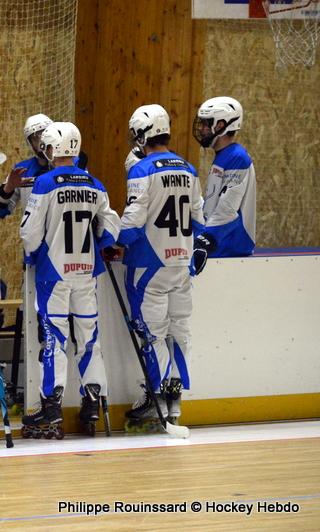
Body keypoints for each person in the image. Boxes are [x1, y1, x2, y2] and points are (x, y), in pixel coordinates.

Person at [19, 122, 121, 439]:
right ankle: (92, 402)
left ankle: (51, 410)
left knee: (54, 339)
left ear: (51, 150)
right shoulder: (95, 183)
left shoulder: (45, 183)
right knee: (89, 339)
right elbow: (110, 226)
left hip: (53, 273)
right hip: (86, 273)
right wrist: (102, 244)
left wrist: (32, 254)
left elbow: (29, 233)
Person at [114, 104, 205, 430]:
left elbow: (133, 225)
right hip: (180, 262)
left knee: (152, 333)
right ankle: (176, 404)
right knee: (179, 331)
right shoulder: (189, 168)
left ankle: (158, 402)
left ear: (141, 134)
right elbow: (199, 219)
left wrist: (109, 237)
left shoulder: (141, 170)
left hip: (148, 265)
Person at [192, 96, 256, 258]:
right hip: (220, 244)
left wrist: (206, 238)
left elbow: (227, 209)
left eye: (206, 124)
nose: (201, 129)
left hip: (230, 246)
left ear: (220, 125)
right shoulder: (224, 156)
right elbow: (213, 202)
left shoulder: (237, 157)